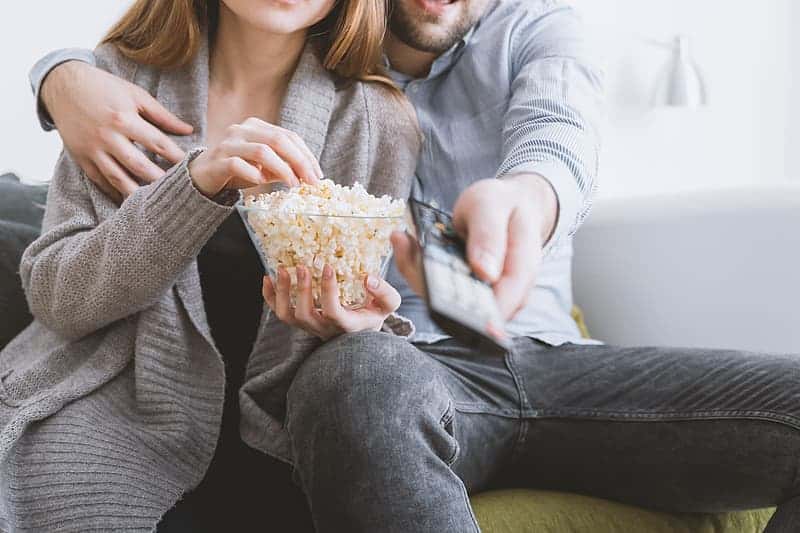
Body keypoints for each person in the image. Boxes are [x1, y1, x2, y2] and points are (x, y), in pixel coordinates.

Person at [23, 0, 800, 532]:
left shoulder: (432, 82)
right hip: (392, 376)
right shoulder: (130, 92)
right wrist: (60, 77)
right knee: (361, 373)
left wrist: (526, 200)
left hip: (540, 355)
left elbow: (559, 135)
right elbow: (64, 281)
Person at [0, 0, 421, 531]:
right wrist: (193, 185)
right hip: (118, 407)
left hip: (281, 432)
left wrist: (357, 327)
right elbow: (55, 297)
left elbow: (366, 307)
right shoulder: (119, 83)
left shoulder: (379, 121)